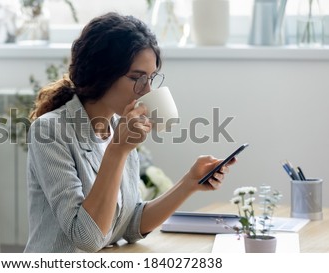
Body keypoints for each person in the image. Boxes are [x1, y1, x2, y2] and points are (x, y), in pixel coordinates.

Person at [24, 12, 236, 253]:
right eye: (136, 78)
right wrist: (117, 150)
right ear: (101, 73)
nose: (146, 90)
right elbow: (86, 238)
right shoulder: (50, 131)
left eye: (151, 79)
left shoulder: (119, 125)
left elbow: (130, 224)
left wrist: (190, 182)